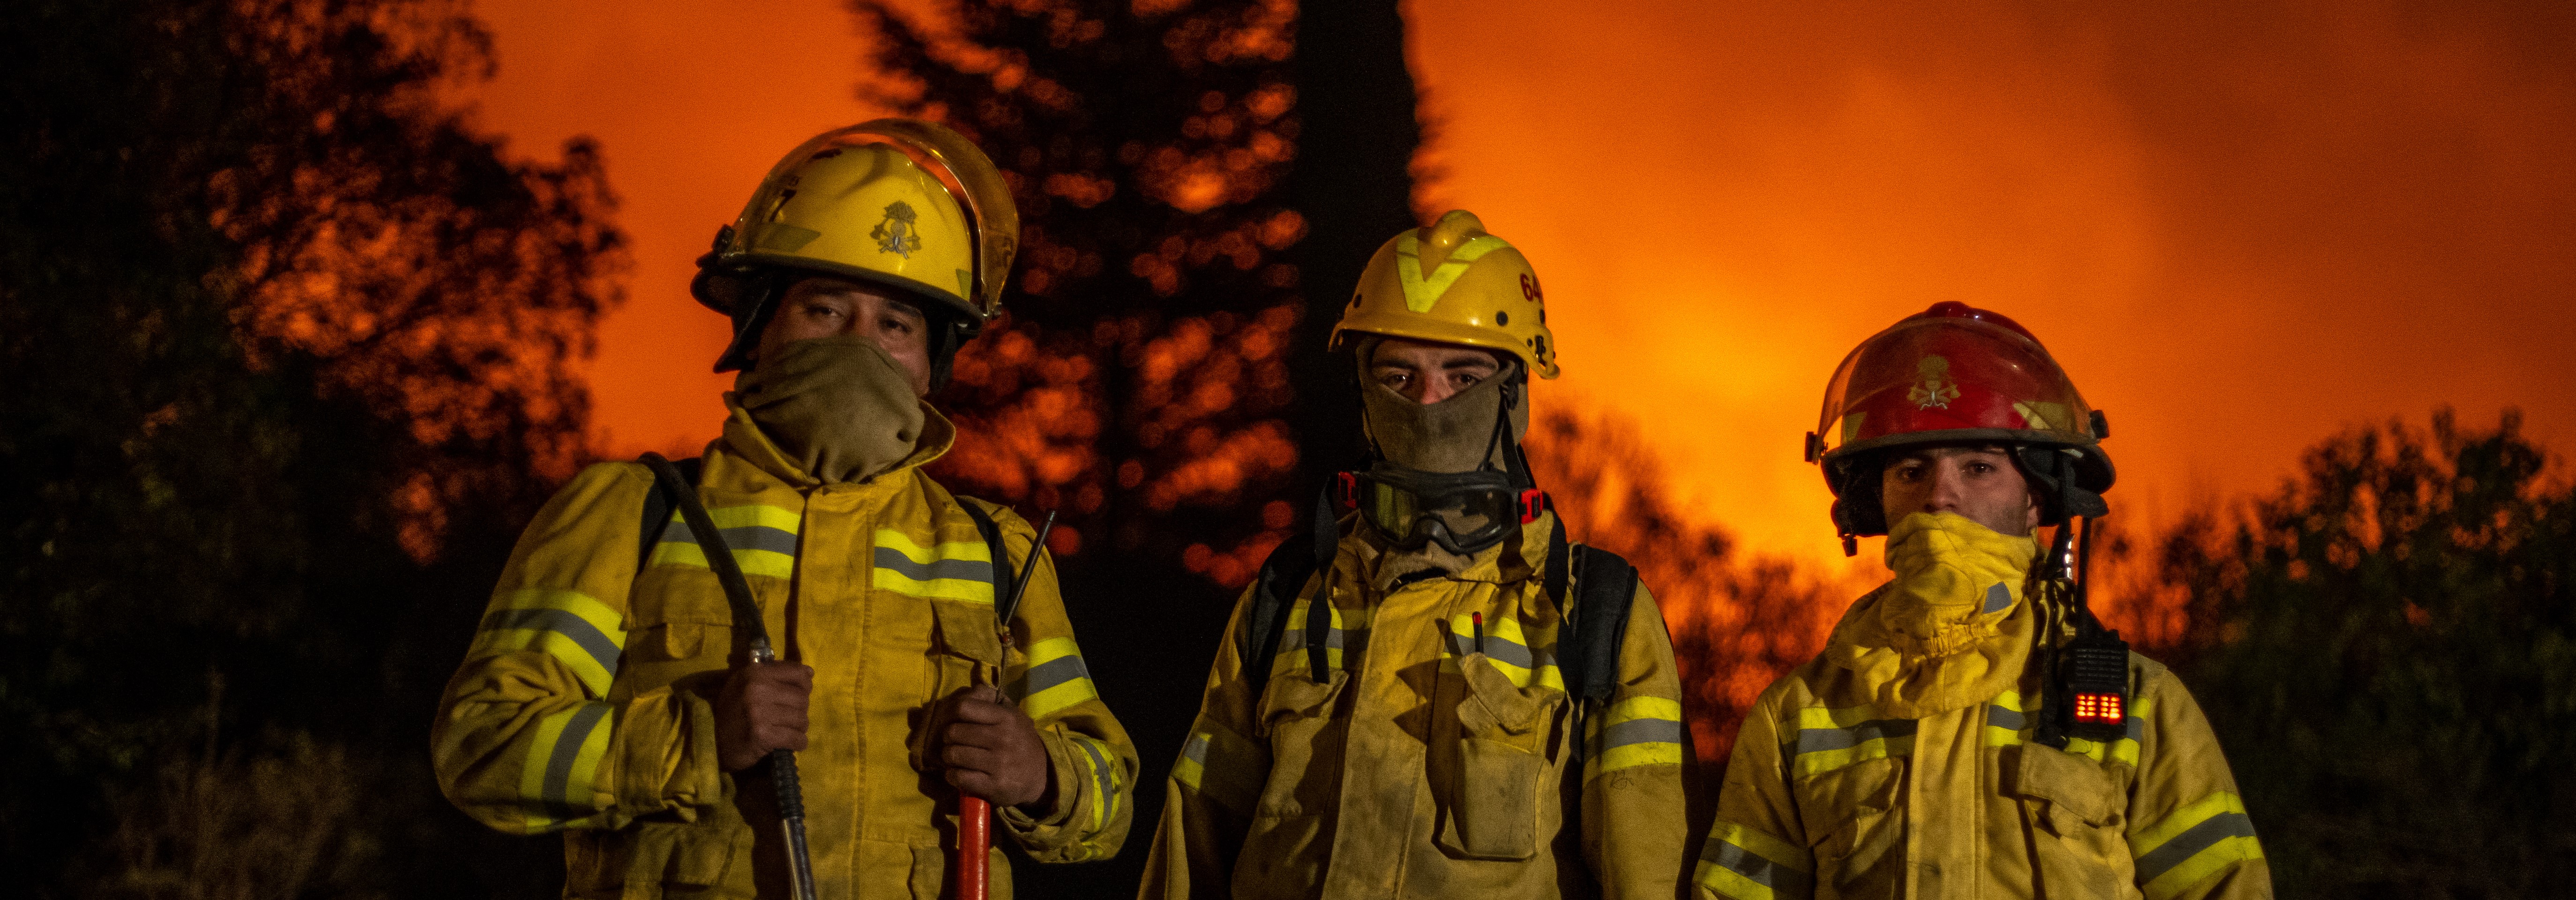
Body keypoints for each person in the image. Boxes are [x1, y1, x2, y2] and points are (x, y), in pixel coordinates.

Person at [431, 120, 1135, 899]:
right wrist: (693, 739)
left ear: (930, 368)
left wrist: (1041, 775)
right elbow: (484, 747)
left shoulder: (996, 554)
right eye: (826, 310)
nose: (859, 346)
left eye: (896, 324)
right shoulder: (629, 515)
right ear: (759, 330)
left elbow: (1110, 805)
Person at [1140, 211, 1692, 899]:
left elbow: (1644, 876)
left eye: (1463, 379)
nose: (1429, 405)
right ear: (1365, 398)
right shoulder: (1288, 597)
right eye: (1399, 378)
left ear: (1515, 395)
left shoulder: (1597, 614)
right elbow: (1192, 851)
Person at [1694, 303, 2270, 900]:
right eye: (1911, 471)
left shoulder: (2137, 704)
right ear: (1877, 502)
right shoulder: (1797, 716)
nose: (1941, 496)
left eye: (1978, 467)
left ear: (2036, 501)